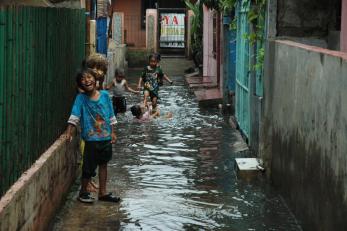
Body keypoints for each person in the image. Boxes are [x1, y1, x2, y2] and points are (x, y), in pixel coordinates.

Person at [65, 68, 120, 203]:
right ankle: (83, 192)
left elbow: (111, 114)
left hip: (106, 138)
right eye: (83, 79)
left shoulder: (105, 95)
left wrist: (113, 132)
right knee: (88, 168)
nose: (87, 80)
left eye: (89, 77)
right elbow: (75, 115)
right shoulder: (81, 98)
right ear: (80, 85)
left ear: (95, 80)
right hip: (91, 139)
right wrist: (69, 132)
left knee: (103, 165)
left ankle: (102, 193)